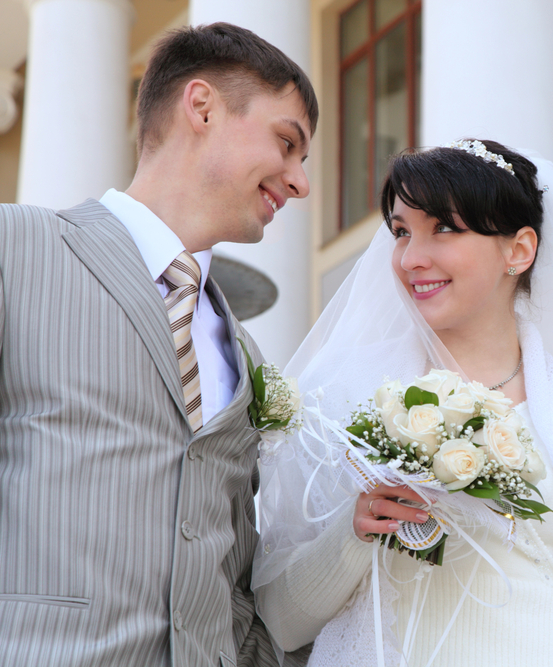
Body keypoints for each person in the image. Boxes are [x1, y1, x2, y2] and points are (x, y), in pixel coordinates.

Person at [253, 140, 553, 666]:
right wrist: (354, 531)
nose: (412, 259)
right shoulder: (343, 392)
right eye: (400, 232)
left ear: (518, 250)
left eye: (444, 228)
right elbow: (278, 619)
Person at [0, 22, 316, 666]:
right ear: (201, 106)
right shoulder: (16, 248)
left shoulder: (245, 355)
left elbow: (234, 576)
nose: (300, 182)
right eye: (287, 143)